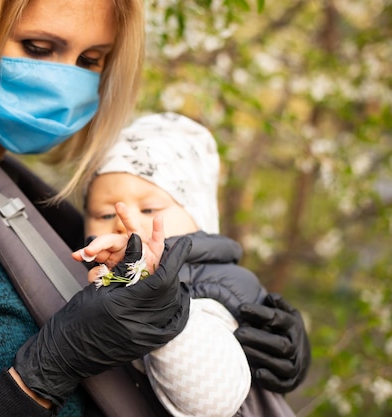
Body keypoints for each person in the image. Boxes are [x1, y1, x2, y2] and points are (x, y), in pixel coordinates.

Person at [0, 1, 310, 416]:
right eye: (39, 48)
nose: (65, 82)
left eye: (91, 60)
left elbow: (115, 310)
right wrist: (40, 377)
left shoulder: (5, 183)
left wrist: (235, 339)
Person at [74, 112, 308, 417]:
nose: (123, 224)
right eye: (105, 214)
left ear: (198, 216)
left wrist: (154, 303)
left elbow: (209, 400)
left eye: (149, 208)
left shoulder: (218, 285)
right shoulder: (92, 277)